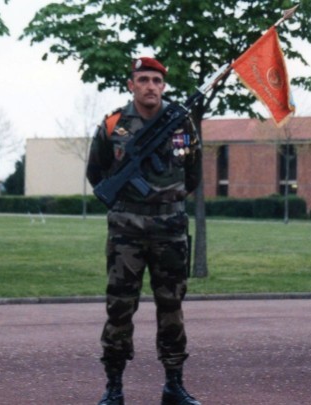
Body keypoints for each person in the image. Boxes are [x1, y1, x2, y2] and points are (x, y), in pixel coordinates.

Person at [86, 57, 202, 405]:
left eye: (156, 80)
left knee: (172, 308)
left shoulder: (182, 123)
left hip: (170, 229)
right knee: (119, 308)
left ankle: (174, 384)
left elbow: (192, 175)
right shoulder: (113, 125)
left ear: (163, 86)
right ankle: (114, 386)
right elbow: (97, 173)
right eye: (143, 79)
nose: (150, 86)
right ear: (130, 84)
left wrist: (166, 200)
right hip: (127, 232)